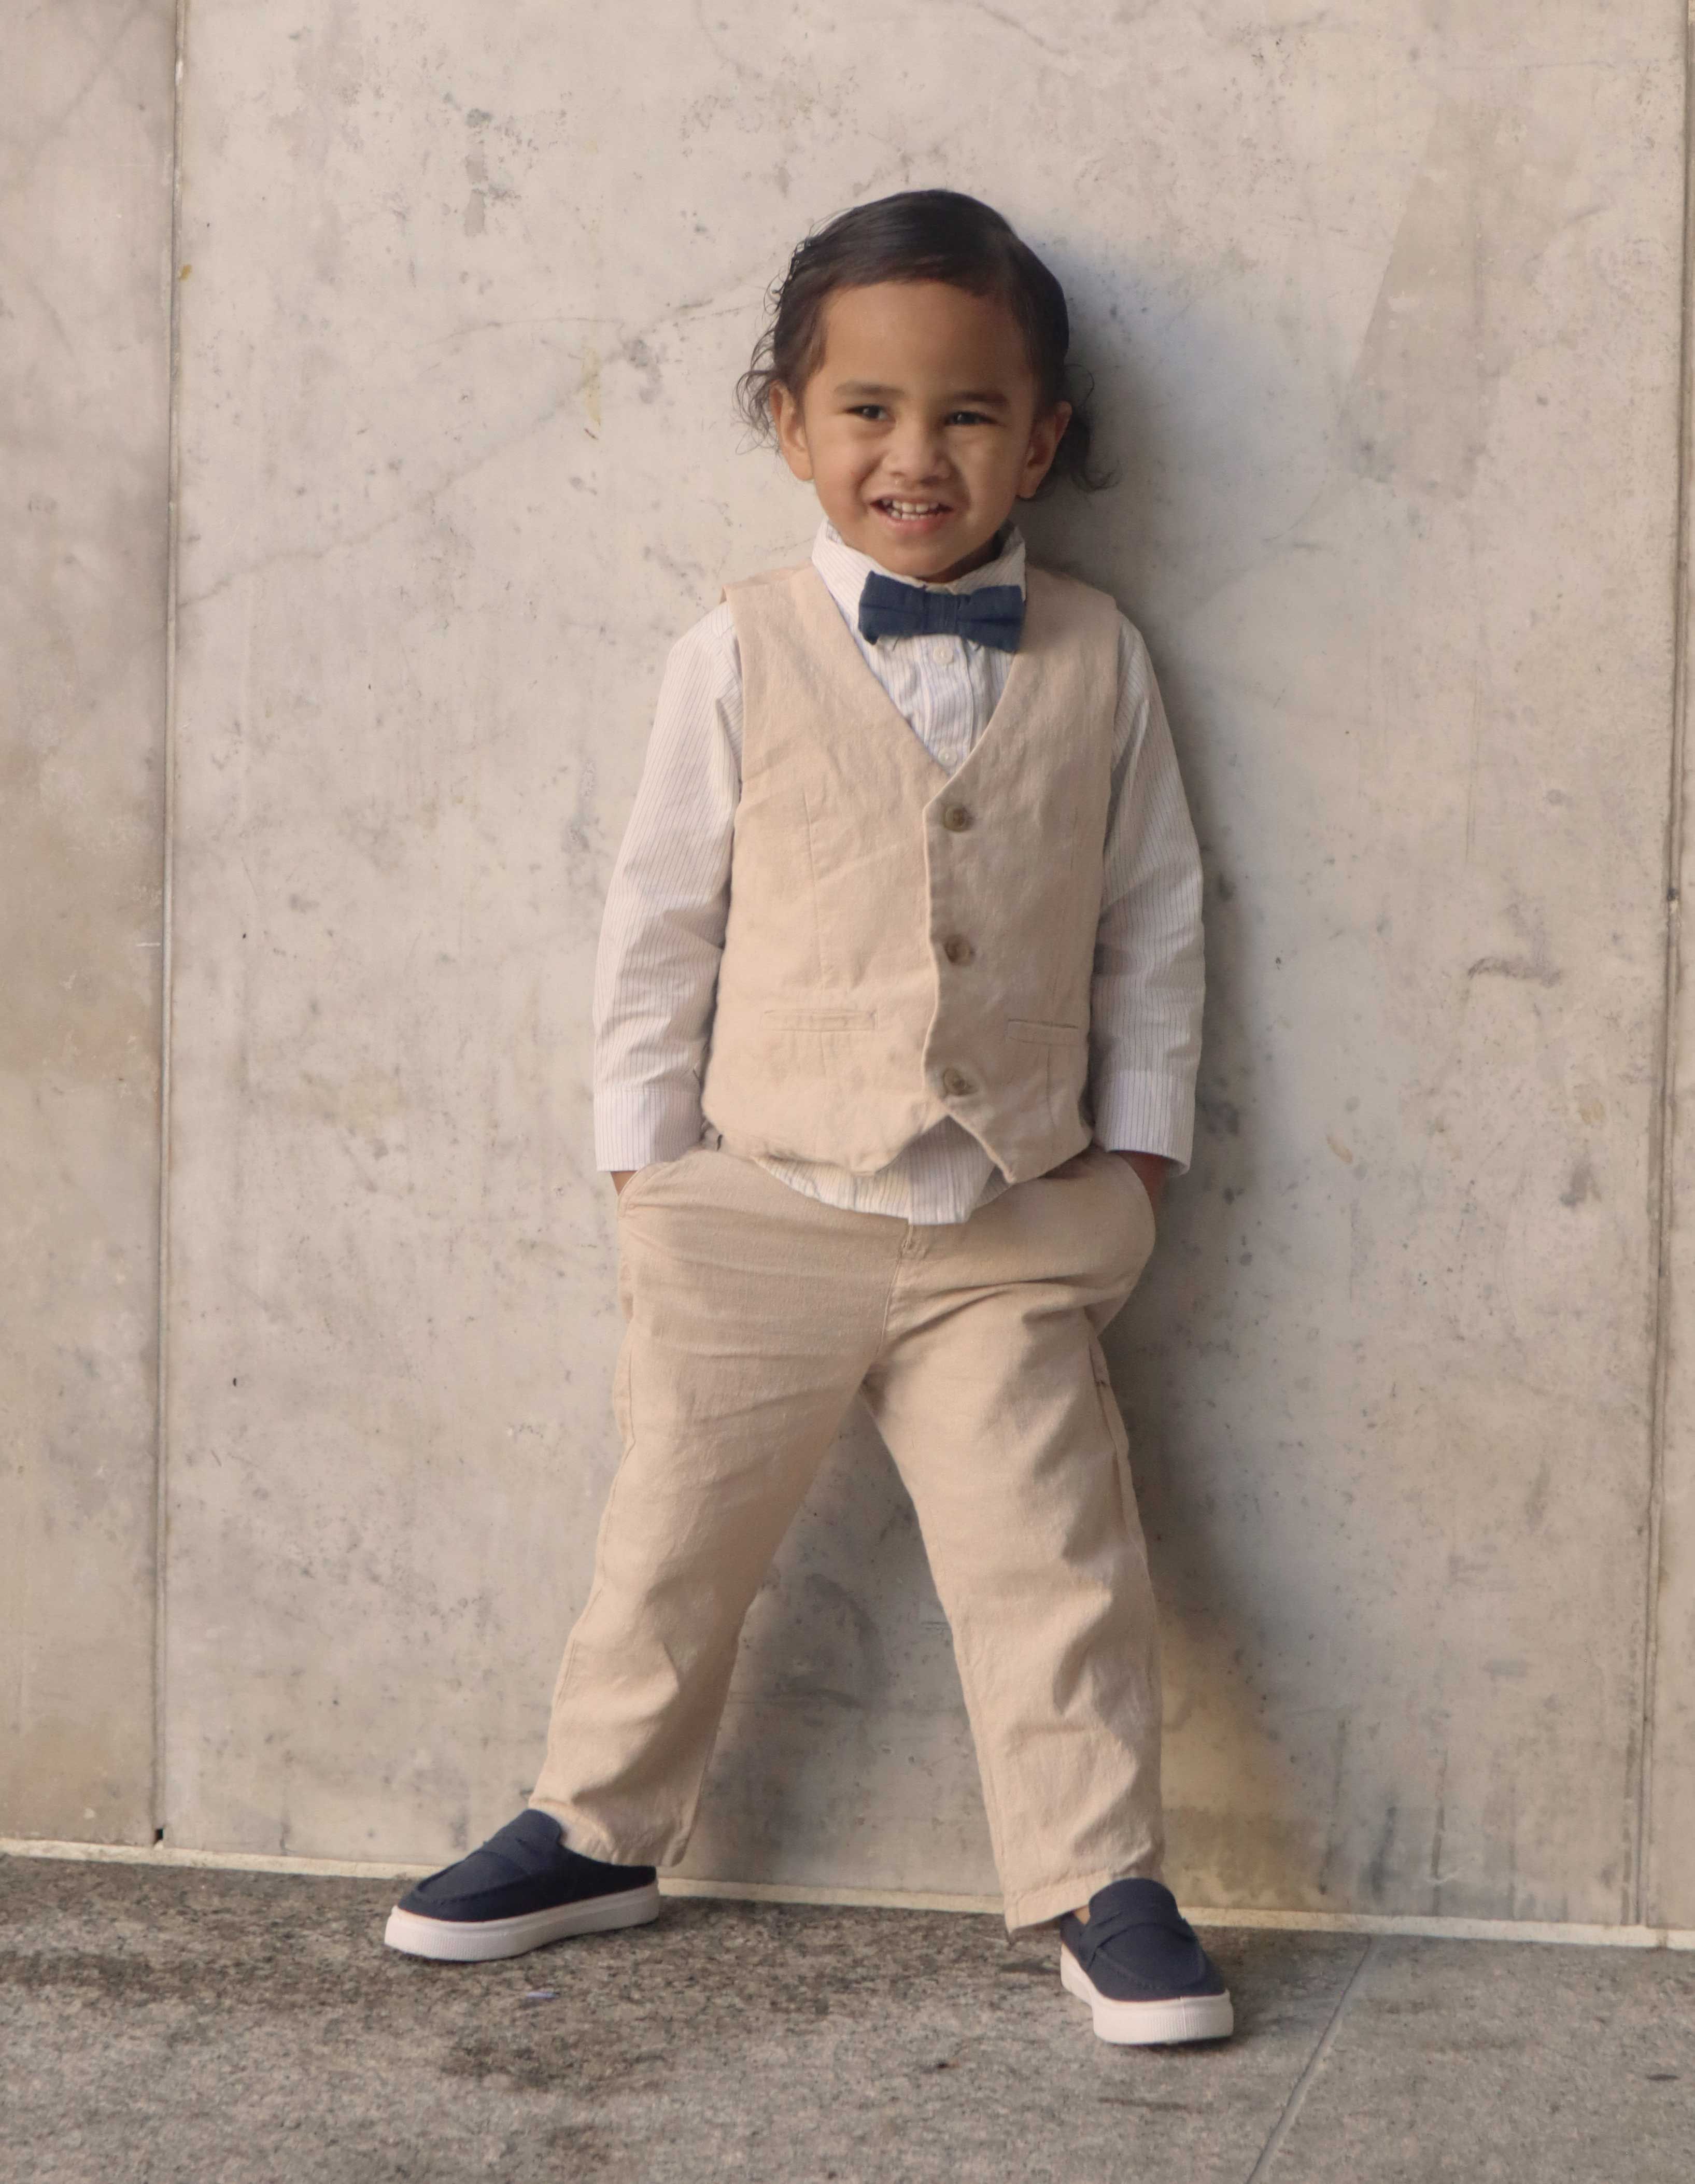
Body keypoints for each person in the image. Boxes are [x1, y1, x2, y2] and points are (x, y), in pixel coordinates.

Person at [384, 189, 1228, 2047]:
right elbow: (659, 918)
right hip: (758, 1195)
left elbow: (1153, 922)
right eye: (867, 410)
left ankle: (1101, 1877)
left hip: (1010, 1213)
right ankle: (596, 1830)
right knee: (673, 1532)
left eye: (969, 415)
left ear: (1043, 442)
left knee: (1054, 1560)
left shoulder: (1102, 657)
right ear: (789, 422)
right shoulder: (738, 647)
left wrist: (1140, 1154)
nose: (916, 456)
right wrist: (648, 1167)